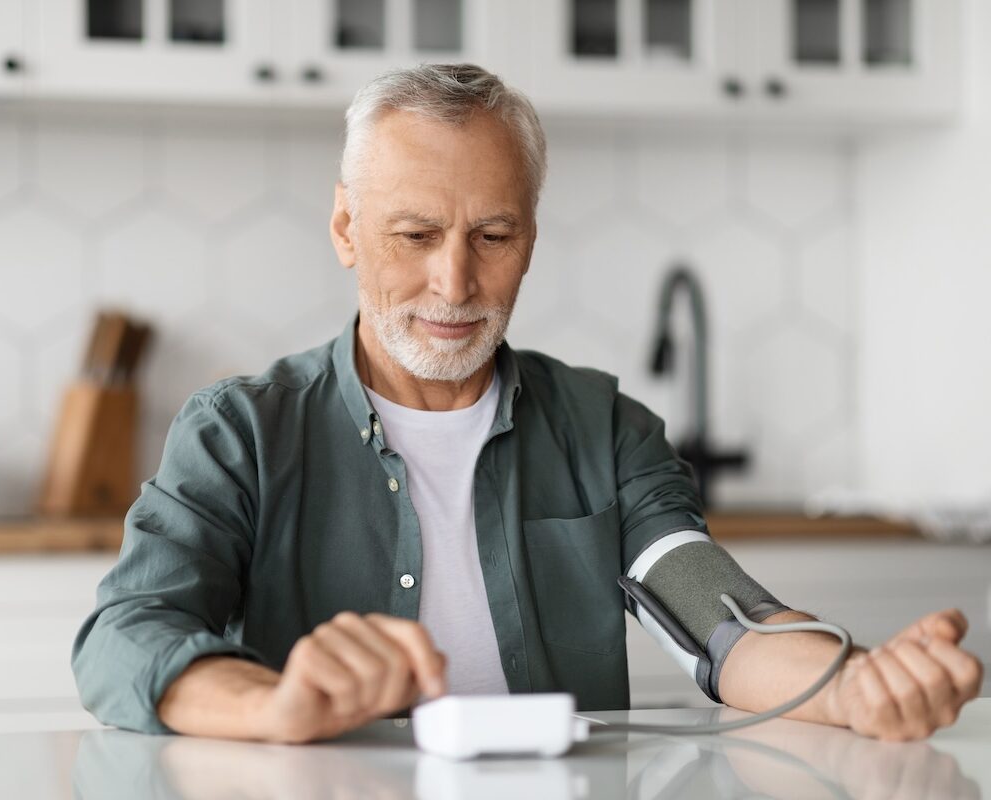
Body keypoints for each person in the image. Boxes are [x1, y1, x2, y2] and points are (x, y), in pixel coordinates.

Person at [72, 64, 983, 745]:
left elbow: (716, 615)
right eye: (416, 234)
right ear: (347, 229)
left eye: (493, 235)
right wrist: (271, 704)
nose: (455, 280)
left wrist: (853, 685)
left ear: (532, 238)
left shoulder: (603, 428)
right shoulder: (242, 431)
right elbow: (125, 639)